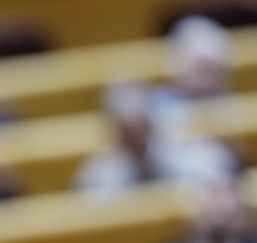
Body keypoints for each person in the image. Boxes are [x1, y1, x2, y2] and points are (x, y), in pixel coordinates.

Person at [73, 81, 239, 198]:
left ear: (151, 121)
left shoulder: (190, 153)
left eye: (140, 126)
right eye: (127, 132)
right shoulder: (98, 175)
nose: (136, 138)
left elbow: (217, 178)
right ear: (113, 130)